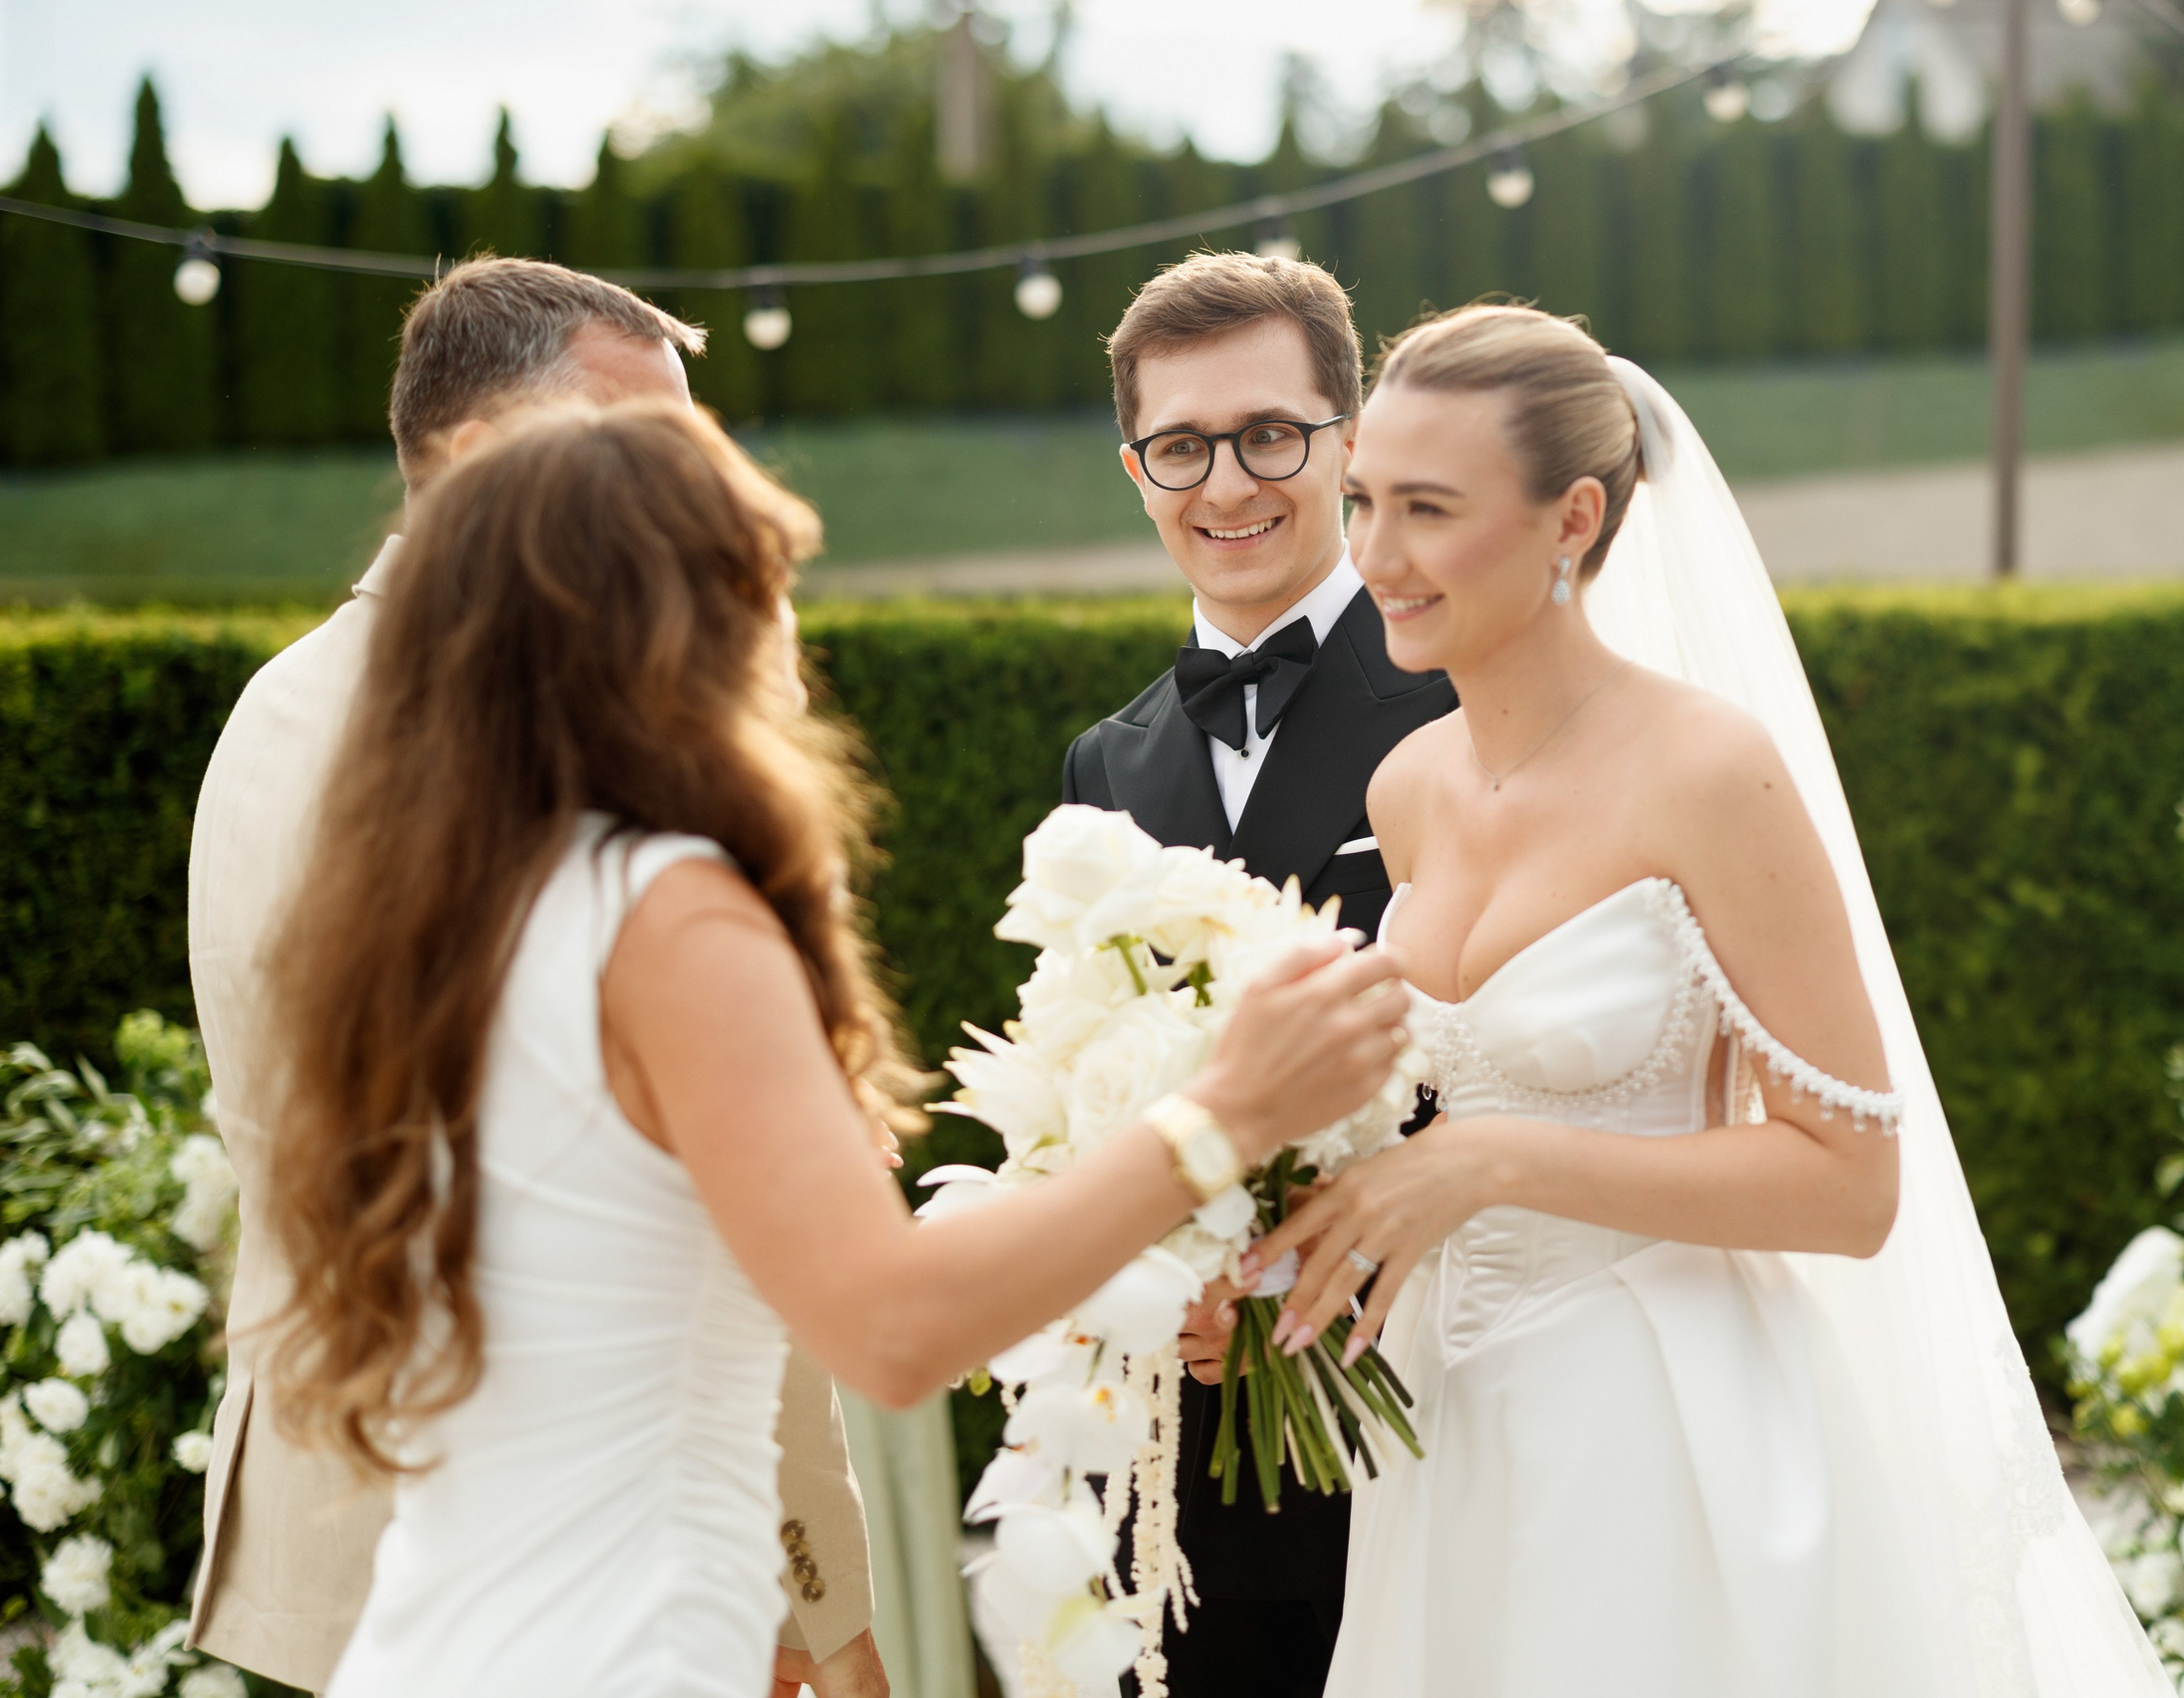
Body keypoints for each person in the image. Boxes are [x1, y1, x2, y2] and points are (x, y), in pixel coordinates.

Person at [258, 398, 1412, 1698]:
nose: (787, 626)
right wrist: (1225, 1113)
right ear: (679, 625)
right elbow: (894, 1326)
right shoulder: (673, 912)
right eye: (764, 582)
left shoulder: (446, 912)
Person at [1253, 306, 2172, 1696]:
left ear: (1572, 517)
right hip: (1446, 1430)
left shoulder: (1706, 771)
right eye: (1366, 500)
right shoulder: (1410, 788)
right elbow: (1413, 1127)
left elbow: (1851, 1184)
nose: (1374, 556)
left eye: (1428, 509)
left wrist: (1494, 1161)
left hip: (1658, 1425)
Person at [183, 259, 887, 1698]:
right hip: (580, 1561)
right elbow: (679, 1224)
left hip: (327, 1546)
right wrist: (810, 1588)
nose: (678, 492)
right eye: (637, 447)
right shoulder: (526, 752)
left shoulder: (279, 704)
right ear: (474, 457)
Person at [1060, 251, 1455, 1696]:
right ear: (1135, 466)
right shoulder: (1103, 766)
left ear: (1346, 441)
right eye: (1180, 446)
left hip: (1428, 1397)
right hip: (1192, 1441)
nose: (1225, 484)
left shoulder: (1464, 694)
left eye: (1269, 435)